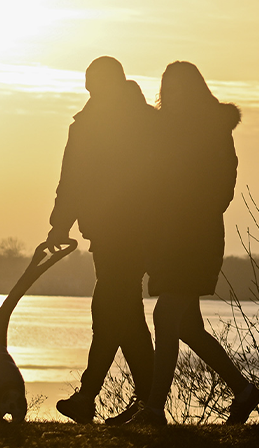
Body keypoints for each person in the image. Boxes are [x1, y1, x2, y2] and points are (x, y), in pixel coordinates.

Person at [138, 61, 259, 425]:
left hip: (197, 240)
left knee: (165, 315)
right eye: (168, 88)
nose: (172, 95)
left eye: (178, 88)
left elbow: (223, 186)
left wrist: (189, 212)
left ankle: (154, 410)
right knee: (188, 327)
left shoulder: (214, 130)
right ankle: (244, 391)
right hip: (169, 239)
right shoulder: (163, 132)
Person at [47, 56, 157, 423]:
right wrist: (60, 224)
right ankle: (147, 405)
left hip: (127, 233)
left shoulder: (107, 124)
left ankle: (89, 395)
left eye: (92, 83)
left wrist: (60, 225)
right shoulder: (141, 121)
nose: (87, 89)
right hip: (115, 234)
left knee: (110, 310)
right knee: (124, 315)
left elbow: (72, 179)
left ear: (107, 83)